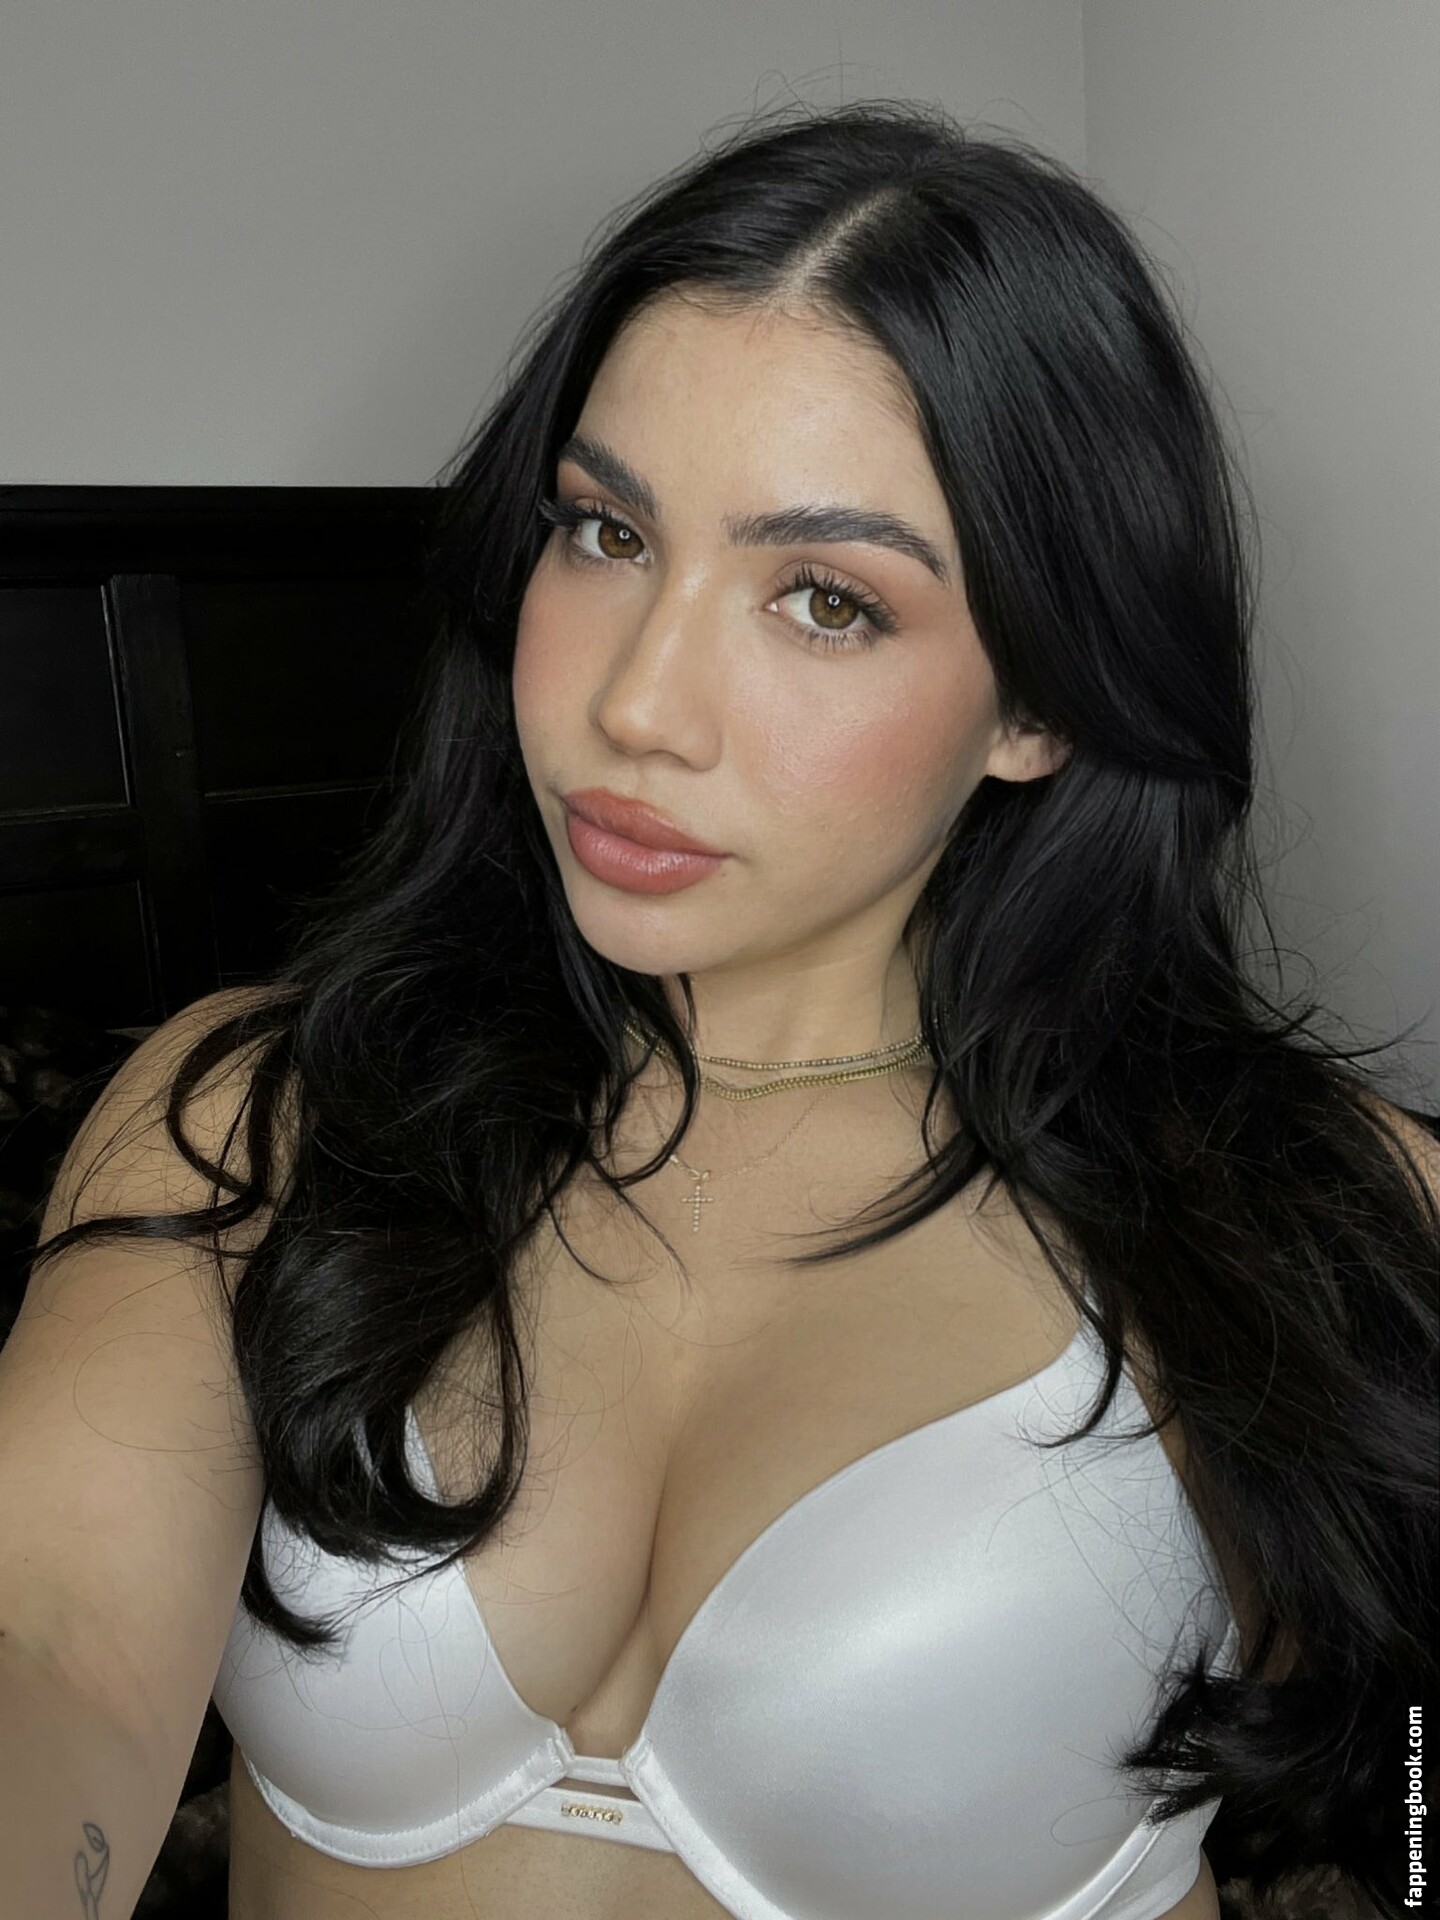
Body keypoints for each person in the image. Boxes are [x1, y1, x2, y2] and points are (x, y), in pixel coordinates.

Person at [1, 98, 1435, 1920]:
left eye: (825, 599)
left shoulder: (1317, 1215)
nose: (639, 705)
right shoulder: (256, 1114)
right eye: (606, 532)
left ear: (1042, 702)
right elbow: (50, 1639)